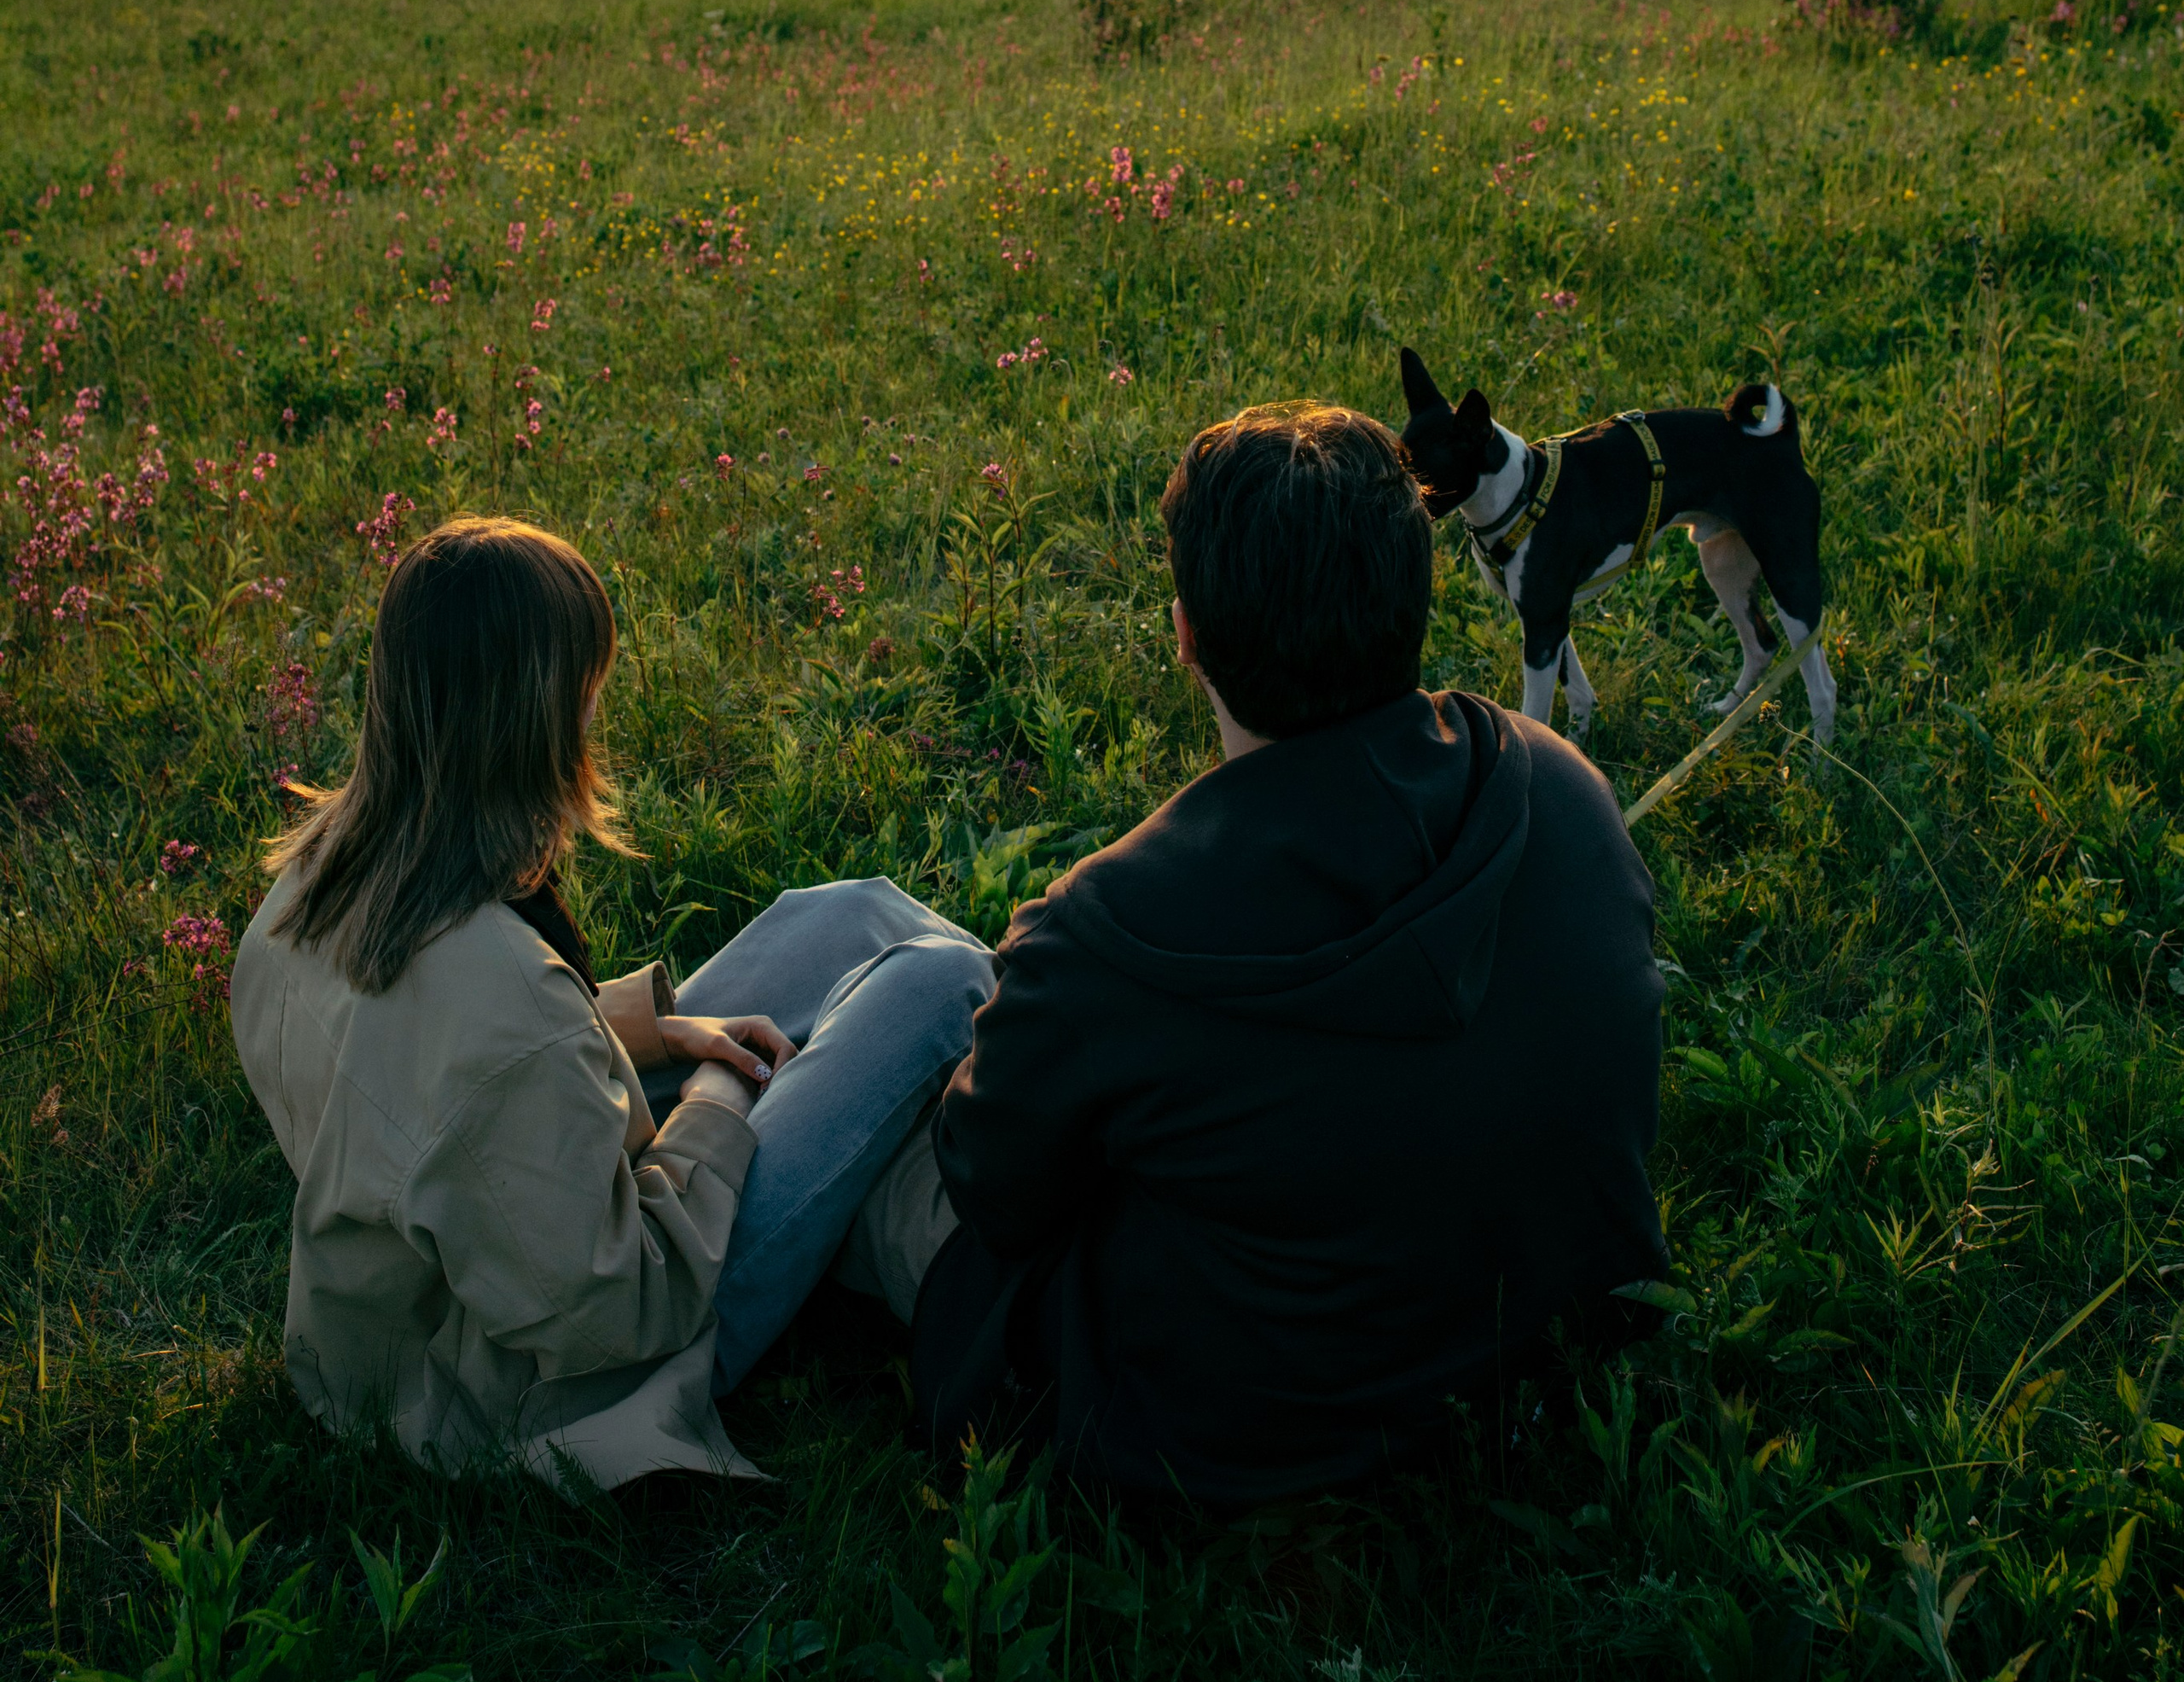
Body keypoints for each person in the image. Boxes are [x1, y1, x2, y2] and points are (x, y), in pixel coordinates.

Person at [909, 401, 1669, 1505]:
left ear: (1183, 636)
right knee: (905, 957)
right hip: (1543, 1344)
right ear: (1419, 593)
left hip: (1231, 1431)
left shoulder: (1101, 929)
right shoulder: (1560, 790)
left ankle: (656, 1186)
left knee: (901, 1059)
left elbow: (989, 1186)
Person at [230, 516, 989, 1492]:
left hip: (507, 1225)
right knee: (938, 982)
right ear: (530, 721)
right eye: (584, 697)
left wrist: (648, 1030)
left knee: (852, 915)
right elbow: (628, 1306)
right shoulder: (507, 1012)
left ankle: (920, 1160)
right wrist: (720, 1089)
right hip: (561, 1369)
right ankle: (991, 1162)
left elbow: (447, 1088)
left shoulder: (307, 891)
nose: (595, 724)